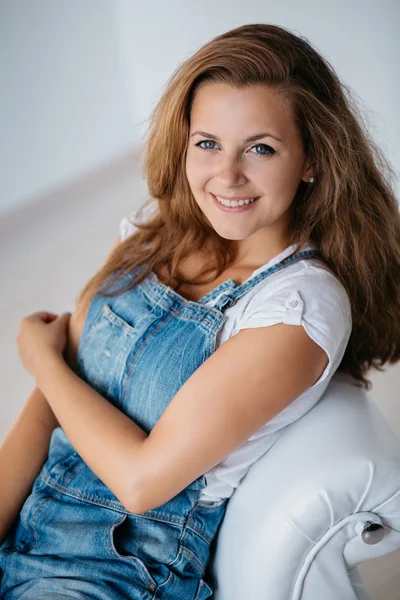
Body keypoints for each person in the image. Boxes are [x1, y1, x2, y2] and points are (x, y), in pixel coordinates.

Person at [1, 22, 399, 599]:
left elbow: (140, 483)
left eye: (260, 148)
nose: (227, 175)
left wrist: (41, 361)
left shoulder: (295, 309)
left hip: (115, 573)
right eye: (207, 143)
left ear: (311, 159)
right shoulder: (158, 232)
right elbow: (58, 404)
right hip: (27, 530)